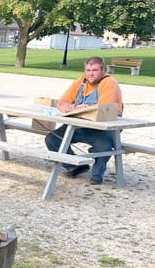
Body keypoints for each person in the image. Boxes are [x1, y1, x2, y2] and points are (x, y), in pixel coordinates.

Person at [44, 56, 123, 185]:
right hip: (79, 124)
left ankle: (97, 175)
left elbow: (103, 110)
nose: (91, 73)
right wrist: (73, 107)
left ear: (103, 71)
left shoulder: (109, 82)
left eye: (95, 70)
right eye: (88, 70)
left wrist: (83, 109)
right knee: (52, 139)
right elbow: (62, 102)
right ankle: (75, 166)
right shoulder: (81, 81)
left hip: (103, 127)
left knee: (104, 147)